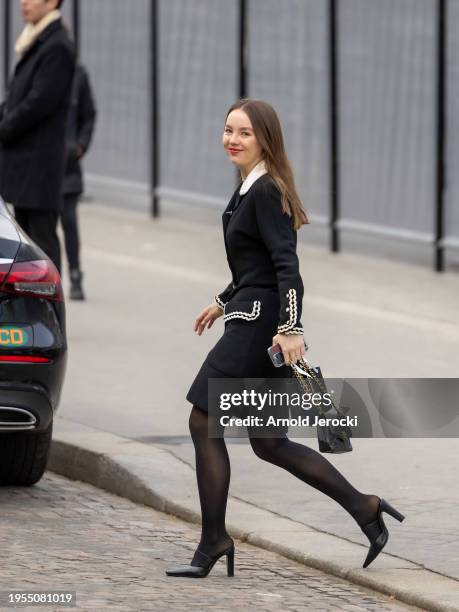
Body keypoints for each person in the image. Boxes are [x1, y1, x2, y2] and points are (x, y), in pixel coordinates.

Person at [165, 98, 405, 578]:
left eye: (244, 133)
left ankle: (214, 539)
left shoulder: (266, 190)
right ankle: (365, 508)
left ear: (265, 140)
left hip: (259, 328)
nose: (231, 139)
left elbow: (286, 268)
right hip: (250, 315)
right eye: (228, 130)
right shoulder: (250, 186)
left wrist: (291, 328)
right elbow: (253, 264)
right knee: (269, 442)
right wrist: (222, 297)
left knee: (201, 418)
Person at [0, 0, 75, 274]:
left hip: (38, 169)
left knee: (41, 247)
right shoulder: (37, 40)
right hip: (26, 169)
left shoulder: (57, 47)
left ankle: (50, 311)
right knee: (26, 244)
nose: (24, 2)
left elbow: (37, 103)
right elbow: (15, 100)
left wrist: (4, 128)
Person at [61, 63, 97, 300]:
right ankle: (46, 284)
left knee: (69, 221)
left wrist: (80, 146)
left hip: (68, 167)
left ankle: (75, 275)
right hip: (41, 167)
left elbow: (89, 114)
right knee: (40, 230)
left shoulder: (78, 74)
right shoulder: (35, 68)